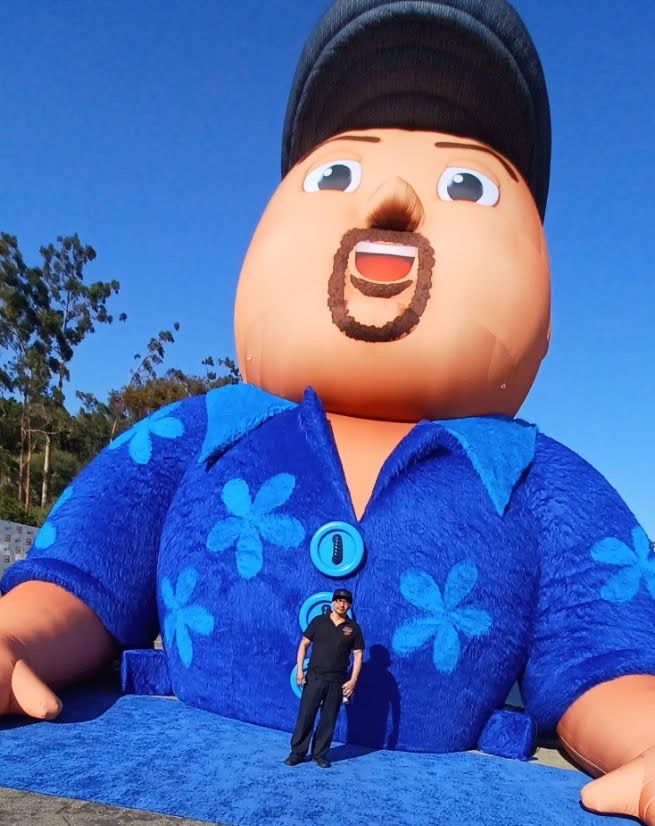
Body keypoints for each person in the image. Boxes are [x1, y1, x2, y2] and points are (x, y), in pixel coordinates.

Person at [285, 589, 364, 768]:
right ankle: (297, 753)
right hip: (314, 678)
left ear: (349, 605)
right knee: (305, 716)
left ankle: (319, 754)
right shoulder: (319, 621)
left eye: (345, 601)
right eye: (338, 600)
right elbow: (304, 643)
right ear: (332, 603)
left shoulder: (353, 628)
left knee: (328, 720)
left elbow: (358, 655)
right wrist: (299, 671)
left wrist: (352, 681)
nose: (341, 604)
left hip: (337, 682)